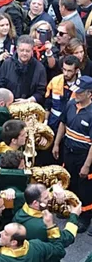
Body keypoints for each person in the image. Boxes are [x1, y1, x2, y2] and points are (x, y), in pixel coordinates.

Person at [53, 75, 92, 233]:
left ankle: (84, 217)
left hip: (83, 155)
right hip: (68, 151)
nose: (76, 94)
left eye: (80, 92)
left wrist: (87, 165)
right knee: (71, 182)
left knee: (85, 188)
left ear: (89, 94)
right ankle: (70, 208)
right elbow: (63, 123)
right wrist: (56, 143)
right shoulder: (70, 105)